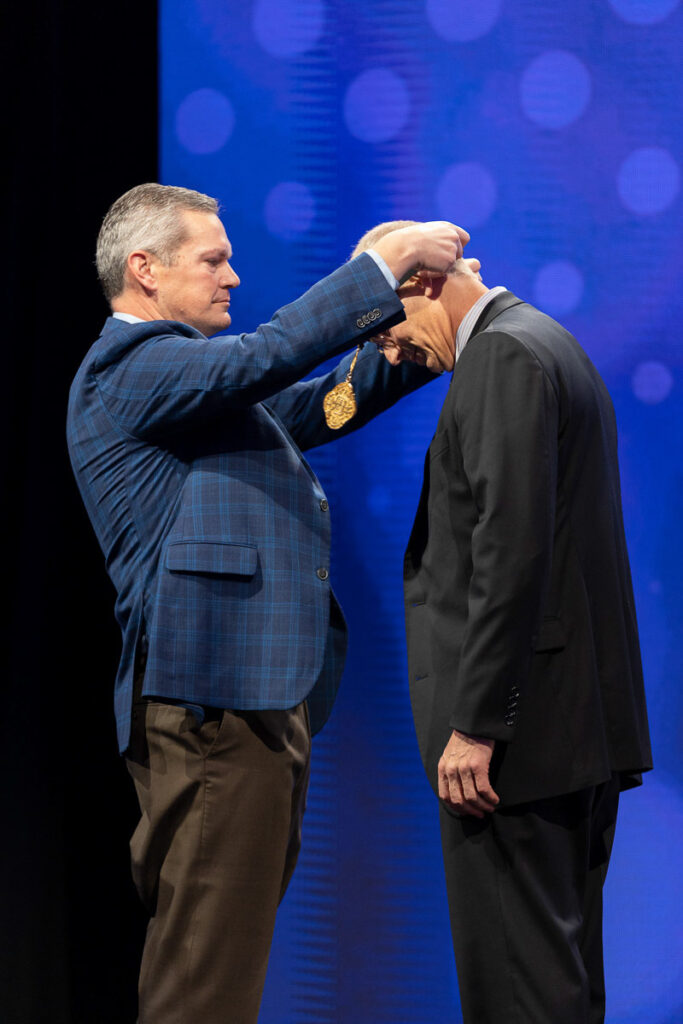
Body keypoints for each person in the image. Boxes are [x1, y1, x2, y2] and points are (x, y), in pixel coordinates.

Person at [66, 185, 467, 1024]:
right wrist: (378, 271)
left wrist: (409, 356)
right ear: (143, 270)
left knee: (222, 961)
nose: (233, 277)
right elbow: (268, 356)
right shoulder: (130, 367)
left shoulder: (196, 392)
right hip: (212, 700)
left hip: (249, 700)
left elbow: (307, 405)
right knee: (204, 981)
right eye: (213, 260)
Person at [354, 221, 653, 1024]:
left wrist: (477, 723)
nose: (388, 356)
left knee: (517, 992)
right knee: (559, 985)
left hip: (513, 753)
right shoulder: (547, 340)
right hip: (571, 734)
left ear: (419, 284)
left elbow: (509, 550)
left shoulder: (502, 356)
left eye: (383, 330)